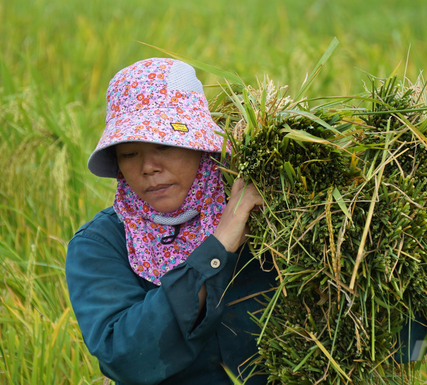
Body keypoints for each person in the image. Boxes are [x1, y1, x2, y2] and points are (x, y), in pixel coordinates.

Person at [65, 58, 276, 385]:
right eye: (130, 153)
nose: (148, 166)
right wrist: (219, 246)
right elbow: (125, 356)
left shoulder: (267, 215)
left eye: (164, 144)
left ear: (201, 145)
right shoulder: (101, 245)